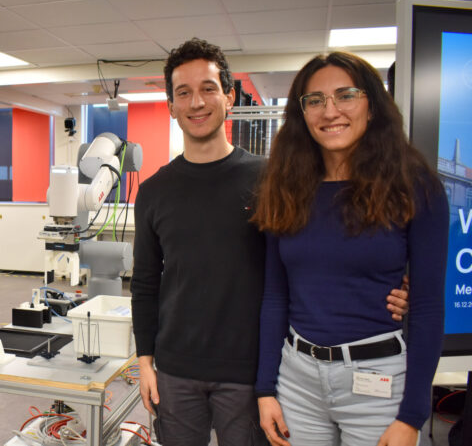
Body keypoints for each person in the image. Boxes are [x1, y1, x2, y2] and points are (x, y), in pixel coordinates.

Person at [130, 39, 411, 446]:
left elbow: (318, 257)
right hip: (175, 370)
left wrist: (397, 286)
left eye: (208, 88)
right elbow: (145, 283)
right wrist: (145, 363)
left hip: (251, 372)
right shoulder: (154, 191)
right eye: (183, 93)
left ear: (229, 96)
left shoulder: (272, 180)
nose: (196, 103)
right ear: (171, 105)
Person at [252, 51, 448, 446]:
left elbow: (427, 306)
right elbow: (276, 296)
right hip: (298, 380)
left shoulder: (415, 186)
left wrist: (412, 416)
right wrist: (265, 389)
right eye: (315, 101)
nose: (330, 111)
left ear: (372, 106)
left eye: (346, 95)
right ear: (302, 114)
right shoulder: (285, 187)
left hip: (377, 384)